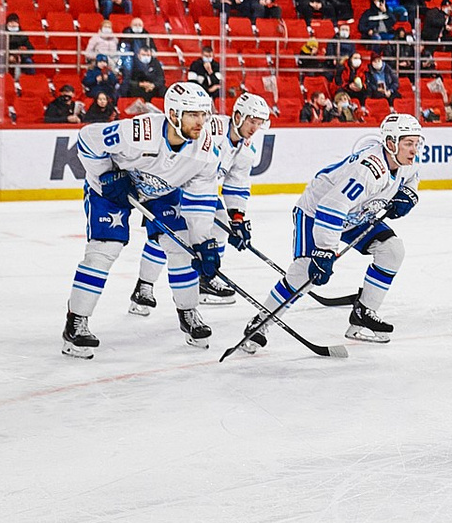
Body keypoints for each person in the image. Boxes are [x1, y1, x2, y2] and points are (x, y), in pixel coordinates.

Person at [61, 83, 229, 358]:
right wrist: (106, 175)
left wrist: (202, 243)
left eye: (204, 114)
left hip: (161, 191)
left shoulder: (207, 152)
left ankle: (188, 312)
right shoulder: (139, 132)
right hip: (111, 189)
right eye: (192, 115)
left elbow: (200, 202)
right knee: (104, 250)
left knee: (182, 247)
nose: (201, 122)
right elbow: (88, 139)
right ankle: (76, 323)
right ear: (173, 114)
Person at [254, 114, 422, 347]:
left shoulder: (407, 161)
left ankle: (363, 314)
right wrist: (325, 250)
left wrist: (409, 195)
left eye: (416, 143)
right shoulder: (369, 170)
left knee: (392, 250)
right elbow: (331, 207)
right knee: (306, 272)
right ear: (391, 143)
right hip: (316, 213)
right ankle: (260, 322)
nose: (414, 150)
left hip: (356, 215)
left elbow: (411, 178)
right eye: (408, 143)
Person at [128, 93, 269, 315]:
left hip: (200, 189)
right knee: (167, 237)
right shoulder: (211, 128)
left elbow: (237, 181)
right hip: (171, 185)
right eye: (252, 121)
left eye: (259, 123)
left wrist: (237, 217)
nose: (255, 128)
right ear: (238, 116)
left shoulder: (247, 149)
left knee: (221, 223)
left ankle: (205, 278)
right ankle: (144, 286)